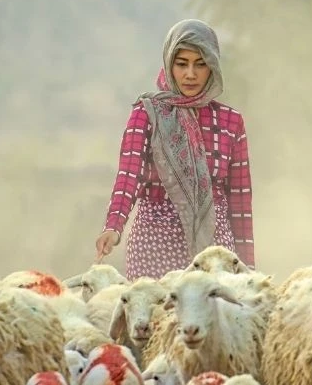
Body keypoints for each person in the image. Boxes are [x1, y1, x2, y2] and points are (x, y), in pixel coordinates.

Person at [94, 18, 254, 278]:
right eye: (181, 64)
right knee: (154, 317)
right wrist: (113, 226)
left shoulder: (230, 122)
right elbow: (128, 176)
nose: (190, 74)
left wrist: (248, 268)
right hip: (155, 246)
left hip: (214, 251)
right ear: (169, 63)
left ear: (213, 66)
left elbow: (240, 201)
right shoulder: (147, 114)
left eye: (200, 64)